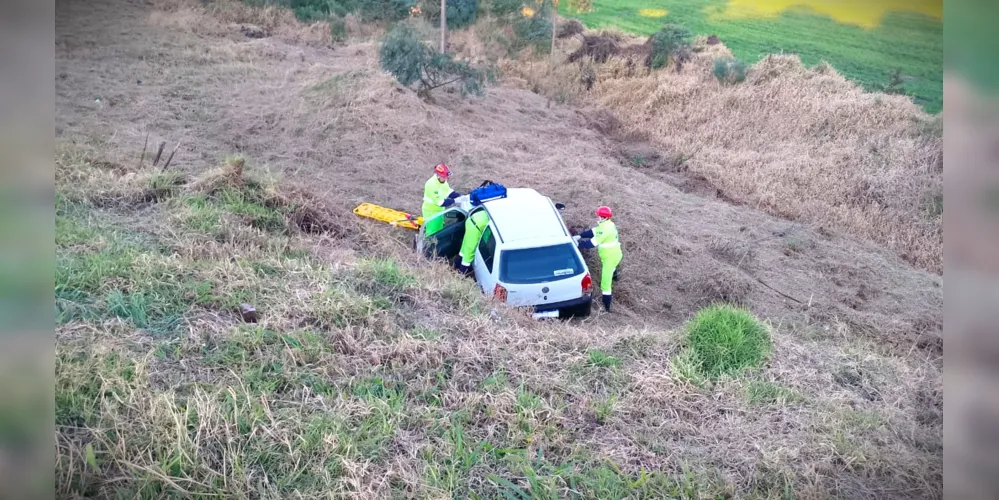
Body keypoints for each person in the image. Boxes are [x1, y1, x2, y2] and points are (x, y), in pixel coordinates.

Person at [574, 206, 622, 312]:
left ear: (603, 217)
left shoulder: (604, 229)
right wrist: (580, 236)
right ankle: (615, 278)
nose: (598, 217)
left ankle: (607, 308)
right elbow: (594, 231)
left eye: (599, 215)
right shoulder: (608, 224)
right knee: (612, 267)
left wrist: (577, 244)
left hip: (610, 256)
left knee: (605, 284)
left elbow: (592, 243)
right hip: (615, 253)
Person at [422, 163, 462, 235]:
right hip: (430, 211)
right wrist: (455, 201)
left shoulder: (442, 181)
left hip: (439, 211)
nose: (446, 179)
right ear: (438, 176)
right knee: (431, 232)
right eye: (444, 177)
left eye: (446, 177)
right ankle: (427, 245)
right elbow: (440, 203)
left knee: (439, 231)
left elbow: (448, 192)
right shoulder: (431, 185)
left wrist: (461, 197)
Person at [457, 209, 490, 275]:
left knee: (465, 246)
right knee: (469, 253)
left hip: (471, 220)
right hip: (476, 228)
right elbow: (486, 237)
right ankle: (461, 274)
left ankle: (457, 265)